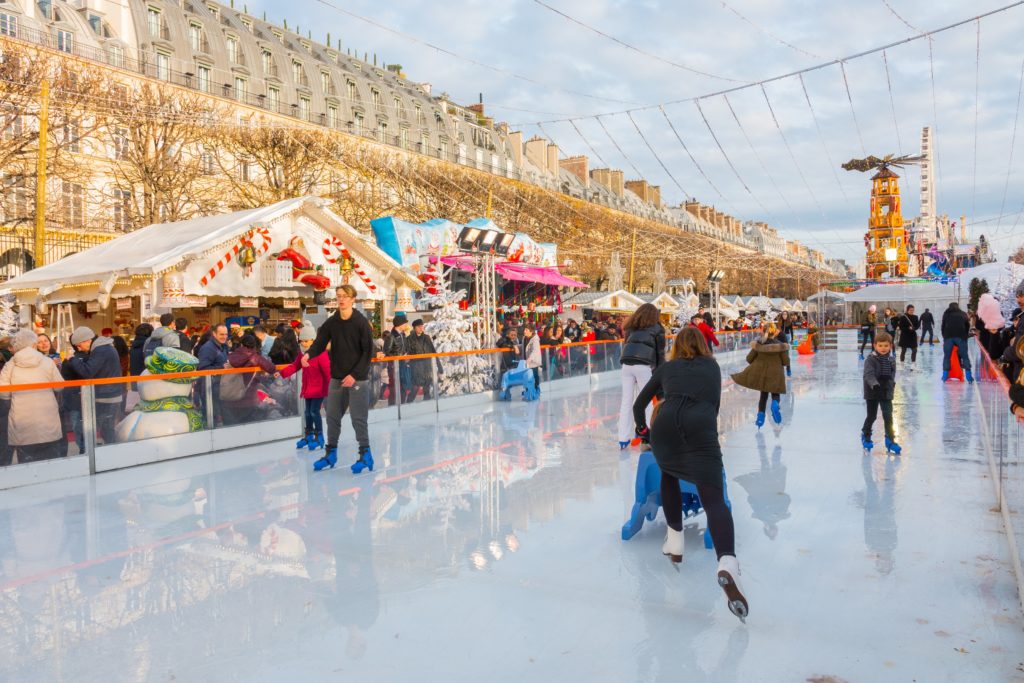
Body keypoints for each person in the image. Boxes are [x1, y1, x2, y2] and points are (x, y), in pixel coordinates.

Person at [632, 326, 748, 622]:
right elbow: (715, 406)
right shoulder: (712, 367)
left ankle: (675, 541)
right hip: (700, 427)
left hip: (665, 427)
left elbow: (639, 404)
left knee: (668, 473)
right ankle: (727, 562)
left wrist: (643, 431)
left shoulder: (667, 368)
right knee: (714, 499)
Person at [303, 284, 375, 474]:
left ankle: (365, 455)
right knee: (332, 417)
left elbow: (368, 352)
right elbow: (320, 342)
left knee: (358, 419)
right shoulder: (332, 322)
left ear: (353, 299)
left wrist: (355, 375)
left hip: (357, 380)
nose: (341, 299)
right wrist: (308, 354)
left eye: (345, 296)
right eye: (338, 296)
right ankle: (331, 454)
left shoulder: (361, 323)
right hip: (337, 379)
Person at [0, 329, 66, 463]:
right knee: (50, 462)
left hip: (21, 421)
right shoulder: (47, 362)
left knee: (27, 464)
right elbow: (59, 386)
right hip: (48, 419)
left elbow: (4, 393)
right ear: (34, 344)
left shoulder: (10, 365)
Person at [617, 303, 665, 450]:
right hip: (644, 366)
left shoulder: (631, 327)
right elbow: (660, 353)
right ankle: (647, 434)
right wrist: (661, 373)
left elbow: (626, 346)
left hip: (626, 365)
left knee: (626, 401)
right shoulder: (657, 328)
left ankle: (623, 438)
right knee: (647, 401)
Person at [67, 328, 125, 445]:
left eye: (79, 346)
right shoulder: (104, 347)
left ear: (87, 341)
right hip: (110, 394)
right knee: (106, 430)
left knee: (97, 430)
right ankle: (109, 450)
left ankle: (103, 451)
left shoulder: (100, 350)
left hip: (106, 397)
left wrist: (72, 359)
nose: (79, 349)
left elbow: (87, 372)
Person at [279, 324, 331, 451]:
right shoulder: (302, 354)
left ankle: (319, 437)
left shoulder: (320, 353)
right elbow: (295, 366)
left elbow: (328, 372)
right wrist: (281, 373)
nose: (303, 343)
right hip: (308, 389)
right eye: (301, 340)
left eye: (306, 341)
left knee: (314, 412)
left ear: (313, 340)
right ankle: (309, 435)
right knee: (307, 413)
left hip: (319, 389)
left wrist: (332, 388)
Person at [730, 322, 790, 427]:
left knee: (763, 396)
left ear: (763, 331)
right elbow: (786, 362)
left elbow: (749, 359)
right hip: (776, 374)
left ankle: (760, 417)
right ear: (775, 332)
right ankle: (775, 404)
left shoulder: (759, 344)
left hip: (763, 374)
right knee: (775, 393)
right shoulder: (780, 346)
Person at [222, 332, 277, 426]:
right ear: (254, 345)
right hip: (247, 399)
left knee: (231, 429)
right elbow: (271, 368)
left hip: (228, 398)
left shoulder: (231, 356)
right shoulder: (255, 357)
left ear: (241, 344)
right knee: (248, 428)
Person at [862, 331, 900, 454]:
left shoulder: (891, 359)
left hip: (886, 391)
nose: (883, 348)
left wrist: (891, 386)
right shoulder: (870, 359)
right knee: (872, 416)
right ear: (875, 345)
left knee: (888, 416)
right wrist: (874, 385)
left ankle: (890, 440)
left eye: (886, 345)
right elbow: (868, 375)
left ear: (890, 346)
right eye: (880, 345)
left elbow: (892, 375)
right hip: (873, 391)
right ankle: (866, 435)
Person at [405, 319, 439, 402]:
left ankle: (427, 405)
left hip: (427, 367)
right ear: (414, 328)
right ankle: (408, 405)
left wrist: (439, 366)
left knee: (426, 389)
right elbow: (406, 353)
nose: (421, 328)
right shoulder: (409, 339)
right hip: (416, 368)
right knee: (415, 388)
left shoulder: (426, 338)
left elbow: (433, 351)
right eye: (419, 327)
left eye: (422, 326)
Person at [940, 302, 973, 383]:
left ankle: (945, 376)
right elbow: (967, 326)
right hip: (961, 337)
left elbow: (943, 327)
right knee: (965, 356)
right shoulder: (963, 314)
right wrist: (965, 336)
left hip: (948, 337)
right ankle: (969, 376)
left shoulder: (946, 314)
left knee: (947, 357)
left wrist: (945, 337)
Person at [382, 314, 410, 406]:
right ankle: (392, 407)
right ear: (399, 324)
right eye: (404, 323)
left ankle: (402, 406)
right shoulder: (391, 336)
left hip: (403, 365)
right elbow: (386, 351)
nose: (406, 325)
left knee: (404, 386)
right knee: (394, 388)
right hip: (394, 366)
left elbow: (405, 348)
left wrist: (406, 355)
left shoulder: (403, 334)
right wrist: (398, 357)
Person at [521, 324, 542, 394]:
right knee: (527, 377)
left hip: (533, 363)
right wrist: (516, 347)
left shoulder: (535, 339)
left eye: (526, 330)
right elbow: (523, 347)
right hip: (526, 363)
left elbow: (535, 351)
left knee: (534, 377)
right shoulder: (524, 338)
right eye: (524, 329)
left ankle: (536, 390)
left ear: (531, 331)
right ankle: (528, 390)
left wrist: (529, 360)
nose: (524, 331)